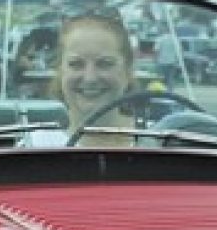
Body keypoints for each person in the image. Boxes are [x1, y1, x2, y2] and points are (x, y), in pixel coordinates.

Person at [25, 12, 135, 148]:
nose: (90, 78)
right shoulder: (35, 147)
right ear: (60, 71)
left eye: (104, 63)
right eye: (76, 64)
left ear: (127, 71)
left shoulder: (157, 139)